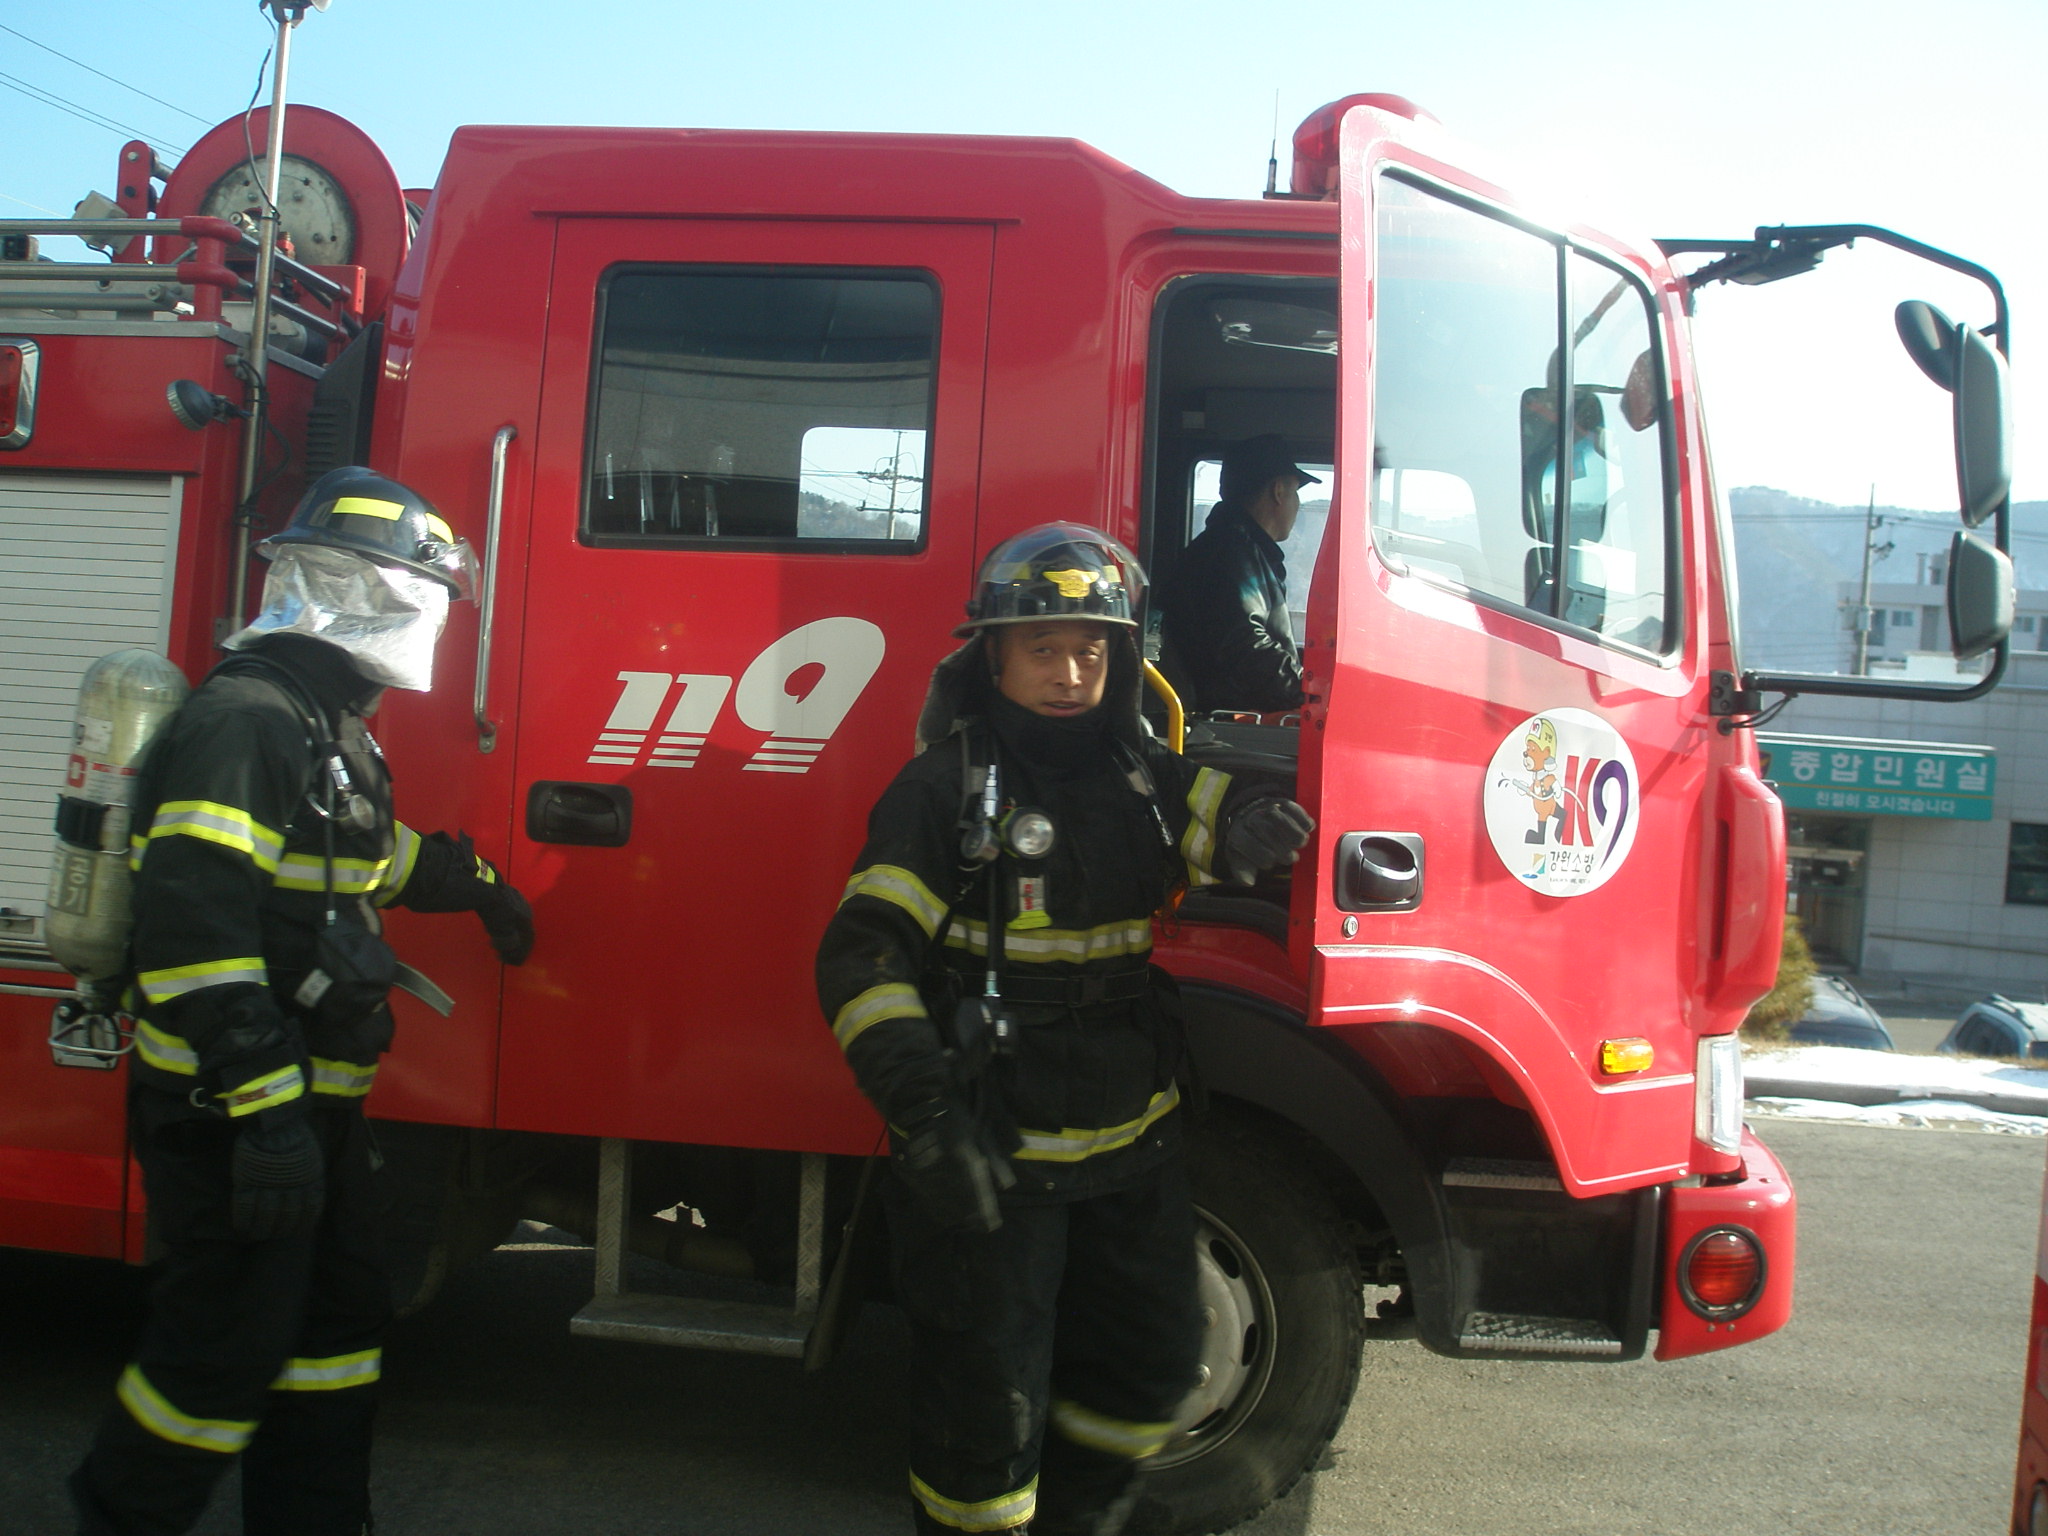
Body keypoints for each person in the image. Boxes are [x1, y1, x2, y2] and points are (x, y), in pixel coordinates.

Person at [815, 523, 1314, 1535]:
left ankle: (1083, 1515)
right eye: (1044, 647)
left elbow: (1210, 810)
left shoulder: (1137, 770)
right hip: (997, 1160)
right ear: (992, 656)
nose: (1071, 671)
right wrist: (926, 1118)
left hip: (1132, 1151)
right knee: (986, 1412)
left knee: (1149, 1366)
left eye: (1092, 649)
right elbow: (861, 961)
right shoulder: (941, 790)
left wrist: (1252, 828)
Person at [70, 466, 536, 1536]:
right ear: (367, 594)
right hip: (229, 1116)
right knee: (218, 1354)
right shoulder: (246, 723)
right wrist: (265, 1110)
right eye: (423, 599)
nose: (429, 625)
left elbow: (359, 859)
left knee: (332, 1335)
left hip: (308, 1113)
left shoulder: (325, 728)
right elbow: (193, 932)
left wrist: (473, 884)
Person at [1159, 435, 1321, 714]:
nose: (1297, 505)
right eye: (1296, 493)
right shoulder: (1231, 553)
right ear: (1278, 491)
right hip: (1228, 718)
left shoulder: (1235, 548)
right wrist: (1306, 692)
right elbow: (1246, 644)